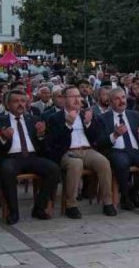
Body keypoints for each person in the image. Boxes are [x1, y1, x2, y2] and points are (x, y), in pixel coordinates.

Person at [0, 90, 58, 223]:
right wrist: (3, 138)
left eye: (23, 101)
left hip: (32, 156)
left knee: (53, 169)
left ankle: (39, 207)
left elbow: (43, 147)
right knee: (7, 170)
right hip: (11, 158)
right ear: (7, 105)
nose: (20, 104)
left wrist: (40, 135)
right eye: (16, 101)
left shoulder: (34, 120)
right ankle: (13, 211)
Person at [46, 85, 114, 219]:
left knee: (104, 162)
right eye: (72, 96)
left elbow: (96, 138)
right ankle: (71, 205)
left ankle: (108, 202)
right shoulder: (55, 118)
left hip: (87, 150)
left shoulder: (85, 114)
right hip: (67, 152)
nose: (77, 99)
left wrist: (88, 123)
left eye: (78, 96)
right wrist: (68, 125)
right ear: (64, 99)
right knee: (76, 164)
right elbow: (56, 142)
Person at [98, 88, 139, 210]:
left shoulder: (134, 115)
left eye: (123, 97)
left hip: (135, 150)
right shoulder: (103, 118)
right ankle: (125, 198)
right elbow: (100, 143)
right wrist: (115, 135)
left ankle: (135, 191)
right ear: (110, 102)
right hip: (116, 151)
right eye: (117, 98)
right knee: (122, 163)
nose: (121, 101)